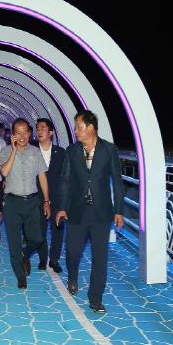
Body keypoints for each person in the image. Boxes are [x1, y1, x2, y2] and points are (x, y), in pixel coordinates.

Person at [55, 110, 124, 314]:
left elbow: (118, 182)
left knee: (100, 258)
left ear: (90, 127)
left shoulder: (109, 150)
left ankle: (95, 298)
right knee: (73, 251)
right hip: (76, 211)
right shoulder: (72, 151)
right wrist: (61, 208)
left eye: (78, 127)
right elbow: (65, 181)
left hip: (101, 213)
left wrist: (119, 211)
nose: (76, 131)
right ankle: (73, 277)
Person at [0, 118, 51, 289]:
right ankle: (20, 276)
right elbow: (4, 172)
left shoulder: (35, 152)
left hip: (32, 202)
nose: (22, 136)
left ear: (29, 133)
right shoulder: (5, 151)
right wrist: (14, 151)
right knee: (14, 242)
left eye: (25, 132)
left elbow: (42, 177)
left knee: (38, 238)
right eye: (18, 133)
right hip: (12, 203)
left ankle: (24, 254)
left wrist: (46, 201)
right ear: (12, 135)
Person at [33, 118, 65, 273]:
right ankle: (42, 258)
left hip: (57, 197)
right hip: (37, 197)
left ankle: (54, 259)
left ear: (50, 132)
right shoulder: (31, 150)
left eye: (43, 128)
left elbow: (65, 176)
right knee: (39, 230)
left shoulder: (61, 152)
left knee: (58, 228)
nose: (39, 131)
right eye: (37, 128)